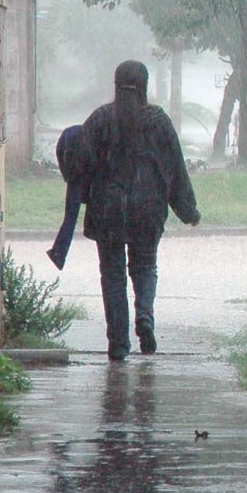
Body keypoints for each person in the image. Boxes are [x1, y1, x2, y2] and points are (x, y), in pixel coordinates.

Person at [80, 60, 200, 361]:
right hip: (148, 208)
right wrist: (187, 209)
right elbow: (176, 168)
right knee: (145, 267)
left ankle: (118, 343)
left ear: (115, 84)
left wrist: (84, 197)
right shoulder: (158, 121)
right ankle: (144, 315)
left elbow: (80, 163)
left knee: (112, 275)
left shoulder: (100, 120)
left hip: (107, 209)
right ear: (145, 86)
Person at [46, 124, 87, 271]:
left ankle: (59, 253)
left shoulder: (70, 133)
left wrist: (67, 175)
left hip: (74, 176)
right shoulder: (100, 132)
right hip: (91, 178)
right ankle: (59, 253)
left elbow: (59, 151)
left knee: (70, 217)